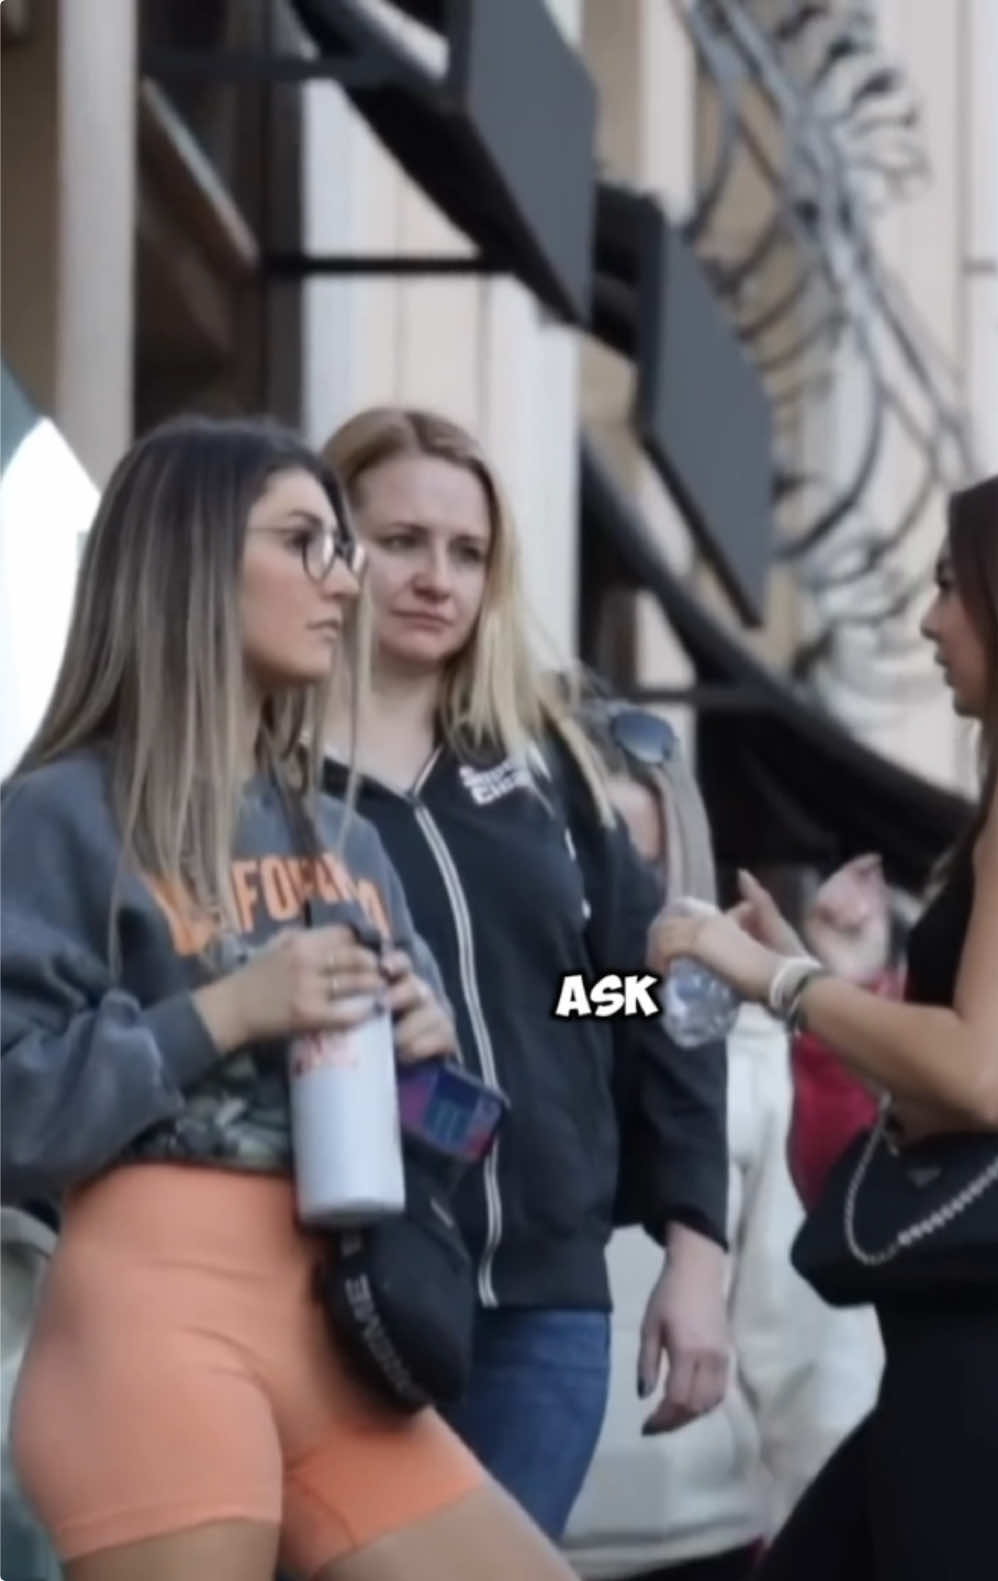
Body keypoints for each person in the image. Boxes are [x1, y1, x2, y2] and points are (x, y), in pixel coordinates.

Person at [1, 415, 583, 1581]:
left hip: (393, 1305)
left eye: (465, 552)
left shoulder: (531, 794)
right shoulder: (62, 814)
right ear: (197, 563)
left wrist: (442, 1062)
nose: (361, 578)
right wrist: (230, 1009)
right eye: (320, 543)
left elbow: (588, 992)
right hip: (156, 1323)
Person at [646, 460, 998, 1581]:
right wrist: (805, 976)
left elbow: (981, 1075)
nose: (928, 620)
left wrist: (770, 981)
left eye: (953, 586)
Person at [319, 407, 730, 1541]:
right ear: (332, 543)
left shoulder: (548, 769)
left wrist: (695, 1252)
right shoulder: (266, 778)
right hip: (335, 1297)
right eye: (401, 540)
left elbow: (639, 997)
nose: (434, 578)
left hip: (539, 1306)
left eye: (467, 553)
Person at [562, 704, 883, 1581]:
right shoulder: (522, 1014)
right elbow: (579, 997)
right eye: (583, 856)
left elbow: (806, 1340)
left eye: (636, 859)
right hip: (494, 1512)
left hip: (695, 1531)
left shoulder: (739, 1045)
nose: (610, 893)